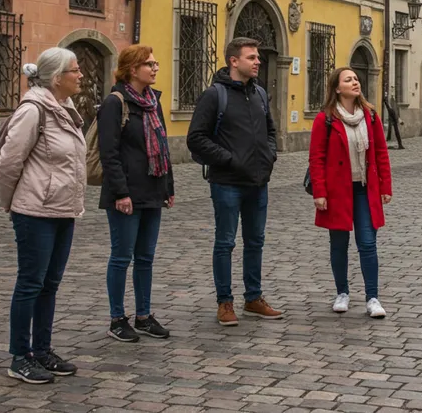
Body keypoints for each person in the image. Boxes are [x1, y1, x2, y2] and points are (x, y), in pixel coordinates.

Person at [0, 48, 87, 385]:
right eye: (75, 70)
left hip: (63, 210)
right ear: (56, 77)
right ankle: (20, 356)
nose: (81, 76)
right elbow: (7, 163)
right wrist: (12, 203)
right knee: (31, 283)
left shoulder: (66, 107)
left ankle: (42, 350)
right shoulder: (33, 110)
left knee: (50, 284)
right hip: (35, 211)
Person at [187, 38, 283, 326]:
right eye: (252, 57)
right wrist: (229, 159)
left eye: (258, 57)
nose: (258, 62)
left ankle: (253, 298)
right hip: (227, 182)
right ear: (234, 61)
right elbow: (196, 138)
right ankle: (225, 302)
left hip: (258, 181)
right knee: (225, 242)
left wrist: (270, 155)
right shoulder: (215, 95)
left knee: (256, 242)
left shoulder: (261, 94)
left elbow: (270, 130)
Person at [98, 45, 175, 343]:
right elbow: (110, 153)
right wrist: (120, 192)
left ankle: (143, 315)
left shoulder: (152, 102)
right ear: (132, 69)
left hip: (152, 189)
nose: (155, 68)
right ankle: (117, 318)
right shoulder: (115, 103)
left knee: (146, 257)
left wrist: (168, 187)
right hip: (125, 194)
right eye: (149, 64)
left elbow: (163, 146)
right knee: (121, 256)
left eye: (155, 64)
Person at [308, 68, 393, 319]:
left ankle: (372, 298)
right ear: (337, 88)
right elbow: (317, 158)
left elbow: (380, 153)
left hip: (365, 191)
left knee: (367, 243)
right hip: (337, 191)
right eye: (349, 80)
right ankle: (342, 293)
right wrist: (319, 192)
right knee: (339, 244)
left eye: (356, 79)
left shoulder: (371, 116)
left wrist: (385, 186)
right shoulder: (325, 119)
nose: (355, 82)